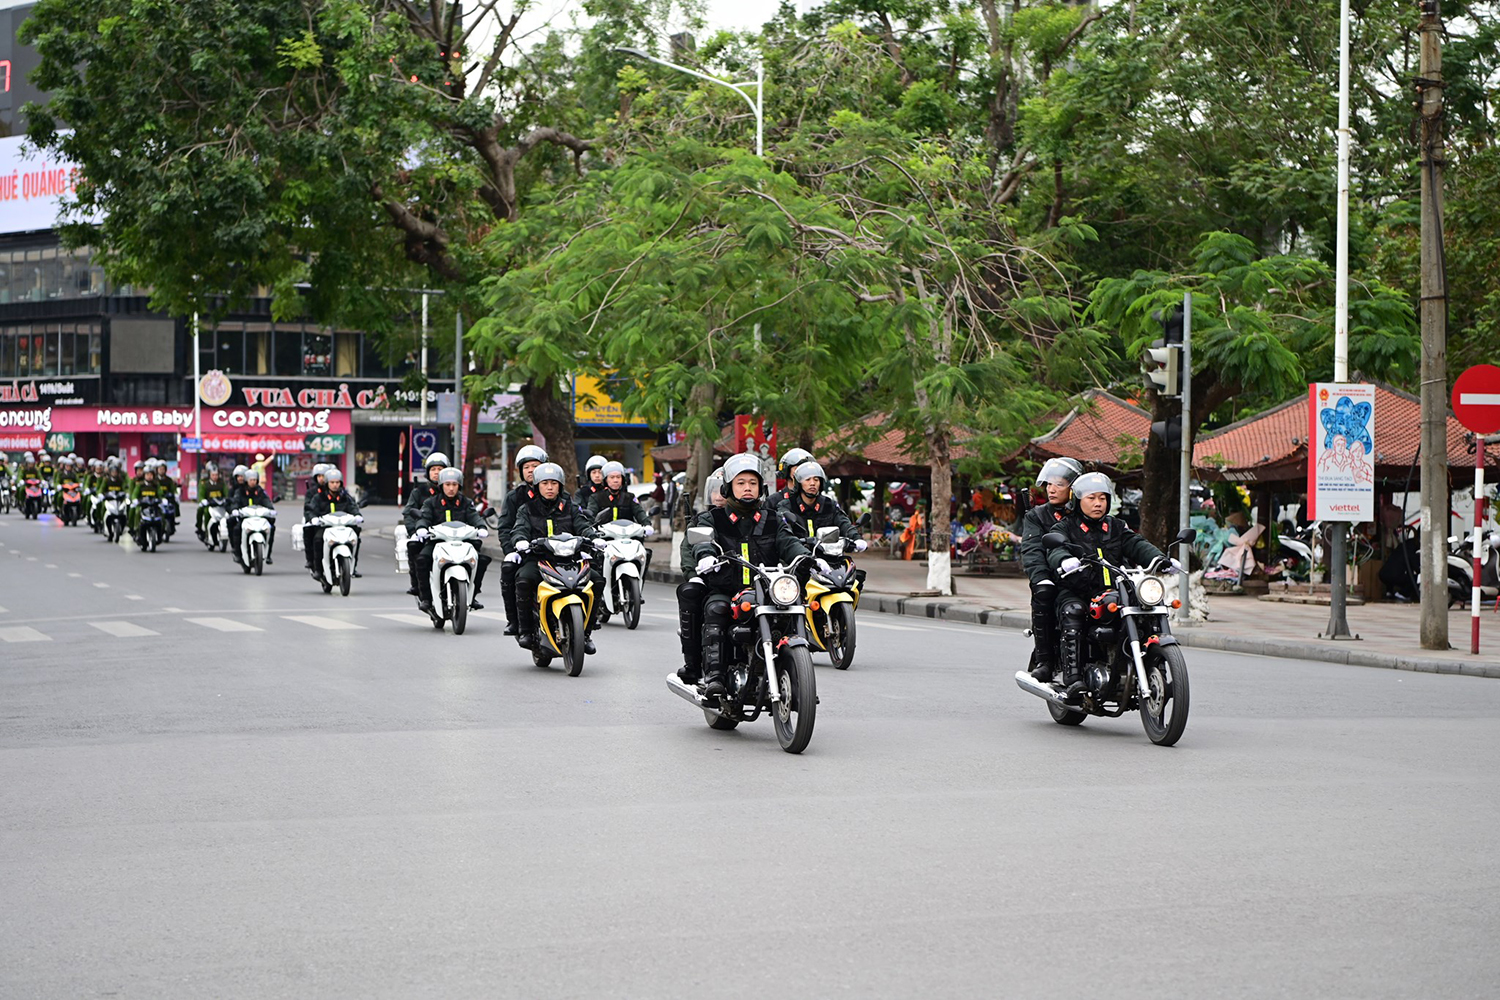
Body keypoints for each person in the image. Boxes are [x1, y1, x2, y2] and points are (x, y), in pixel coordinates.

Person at [689, 453, 811, 698]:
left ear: (761, 488)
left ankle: (799, 678)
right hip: (726, 589)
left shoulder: (773, 520)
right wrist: (705, 555)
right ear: (728, 487)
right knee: (716, 609)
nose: (747, 488)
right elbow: (703, 541)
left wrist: (810, 558)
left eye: (753, 483)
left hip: (767, 591)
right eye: (741, 483)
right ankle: (715, 677)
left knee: (794, 608)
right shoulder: (713, 518)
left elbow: (789, 543)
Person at [1045, 472, 1165, 699]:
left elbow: (1137, 544)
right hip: (1077, 590)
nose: (1098, 503)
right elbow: (1054, 549)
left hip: (1117, 590)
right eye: (1091, 498)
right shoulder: (1066, 527)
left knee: (1145, 611)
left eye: (1102, 498)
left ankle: (1147, 666)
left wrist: (1161, 560)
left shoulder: (1117, 527)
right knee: (1074, 612)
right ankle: (1074, 679)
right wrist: (1064, 559)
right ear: (1077, 500)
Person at [510, 461, 602, 652]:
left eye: (554, 483)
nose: (549, 487)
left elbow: (583, 526)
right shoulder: (526, 509)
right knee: (524, 579)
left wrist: (594, 538)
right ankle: (526, 631)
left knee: (596, 580)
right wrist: (520, 540)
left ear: (560, 485)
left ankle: (586, 633)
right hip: (539, 559)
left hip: (569, 561)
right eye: (545, 483)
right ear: (537, 486)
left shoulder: (571, 507)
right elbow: (519, 528)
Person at [1019, 457, 1083, 682]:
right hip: (1052, 576)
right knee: (1044, 595)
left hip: (1084, 576)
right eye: (1048, 484)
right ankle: (1045, 660)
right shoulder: (1037, 516)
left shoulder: (1084, 512)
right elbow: (1032, 551)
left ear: (1074, 488)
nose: (1051, 489)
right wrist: (1041, 578)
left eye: (1059, 484)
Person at [413, 466, 492, 615]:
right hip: (437, 542)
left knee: (481, 560)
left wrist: (481, 527)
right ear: (441, 485)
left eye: (454, 485)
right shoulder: (431, 502)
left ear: (459, 486)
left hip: (463, 542)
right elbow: (424, 517)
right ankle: (426, 598)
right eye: (447, 485)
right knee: (422, 559)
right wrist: (421, 528)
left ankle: (472, 595)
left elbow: (474, 516)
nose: (451, 488)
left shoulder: (466, 502)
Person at [675, 467, 724, 683]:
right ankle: (693, 662)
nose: (721, 494)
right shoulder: (703, 520)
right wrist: (693, 573)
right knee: (691, 592)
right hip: (710, 580)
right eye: (717, 490)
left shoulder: (756, 518)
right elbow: (688, 550)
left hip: (749, 581)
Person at [496, 444, 547, 635]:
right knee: (509, 571)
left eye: (535, 465)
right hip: (524, 552)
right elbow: (505, 527)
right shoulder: (514, 497)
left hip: (555, 552)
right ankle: (514, 621)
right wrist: (511, 552)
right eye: (527, 467)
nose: (531, 470)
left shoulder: (558, 495)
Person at [775, 461, 864, 546]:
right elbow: (784, 532)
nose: (812, 483)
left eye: (816, 480)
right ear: (799, 483)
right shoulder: (787, 505)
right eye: (807, 479)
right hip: (798, 556)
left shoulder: (829, 505)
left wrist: (856, 538)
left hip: (828, 555)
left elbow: (844, 523)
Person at [401, 453, 449, 595]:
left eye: (440, 469)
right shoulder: (419, 491)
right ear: (428, 472)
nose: (436, 472)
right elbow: (409, 513)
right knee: (414, 547)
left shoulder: (453, 490)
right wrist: (415, 532)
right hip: (426, 534)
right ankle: (417, 584)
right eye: (433, 469)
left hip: (450, 535)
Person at [304, 466, 362, 581]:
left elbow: (353, 507)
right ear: (327, 483)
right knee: (318, 540)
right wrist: (314, 518)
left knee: (356, 538)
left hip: (343, 527)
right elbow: (310, 509)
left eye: (337, 482)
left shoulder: (345, 497)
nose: (335, 485)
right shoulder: (318, 497)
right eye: (332, 482)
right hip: (325, 527)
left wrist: (357, 515)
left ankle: (352, 567)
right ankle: (318, 570)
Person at [226, 467, 276, 565]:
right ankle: (237, 552)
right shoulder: (240, 491)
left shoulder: (260, 491)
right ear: (246, 480)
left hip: (259, 517)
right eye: (251, 480)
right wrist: (235, 510)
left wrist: (271, 510)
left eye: (254, 480)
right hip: (245, 517)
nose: (253, 482)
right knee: (237, 529)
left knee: (271, 528)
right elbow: (236, 501)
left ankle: (268, 554)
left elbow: (266, 501)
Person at [587, 461, 650, 527]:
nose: (615, 480)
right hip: (604, 535)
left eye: (618, 477)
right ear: (606, 480)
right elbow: (591, 515)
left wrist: (647, 525)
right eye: (612, 477)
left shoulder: (630, 497)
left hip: (628, 533)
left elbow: (639, 512)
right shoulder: (596, 498)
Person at [197, 464, 232, 539]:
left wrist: (227, 499)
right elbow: (201, 493)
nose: (215, 477)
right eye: (213, 475)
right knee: (204, 511)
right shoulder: (204, 483)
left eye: (216, 475)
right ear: (209, 475)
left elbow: (226, 493)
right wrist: (203, 500)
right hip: (209, 504)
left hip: (220, 504)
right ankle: (203, 529)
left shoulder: (221, 483)